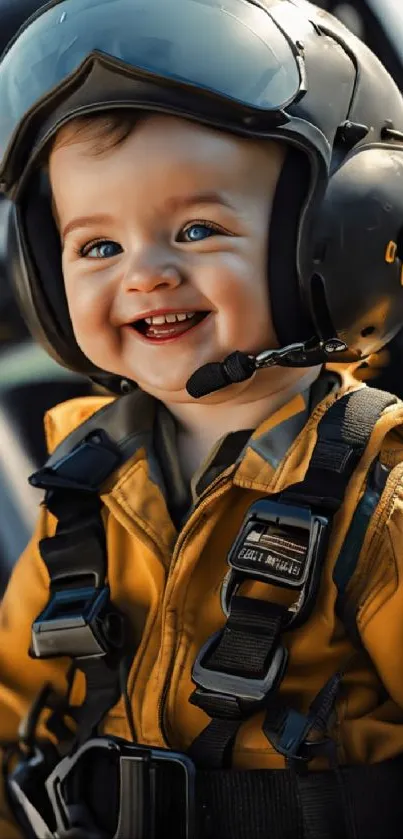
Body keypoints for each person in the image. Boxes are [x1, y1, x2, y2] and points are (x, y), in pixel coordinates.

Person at [1, 1, 403, 837]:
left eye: (195, 228)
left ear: (342, 237)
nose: (145, 275)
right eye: (97, 246)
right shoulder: (82, 480)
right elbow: (12, 708)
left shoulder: (380, 492)